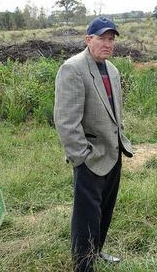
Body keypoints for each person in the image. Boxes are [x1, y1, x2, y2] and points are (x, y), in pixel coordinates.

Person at [54, 17, 133, 272]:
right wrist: (82, 156)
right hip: (89, 157)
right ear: (88, 40)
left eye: (111, 39)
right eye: (102, 38)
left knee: (105, 209)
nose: (107, 44)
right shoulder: (72, 68)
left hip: (113, 151)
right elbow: (66, 120)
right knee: (86, 216)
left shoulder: (112, 70)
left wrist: (119, 143)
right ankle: (83, 264)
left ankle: (96, 251)